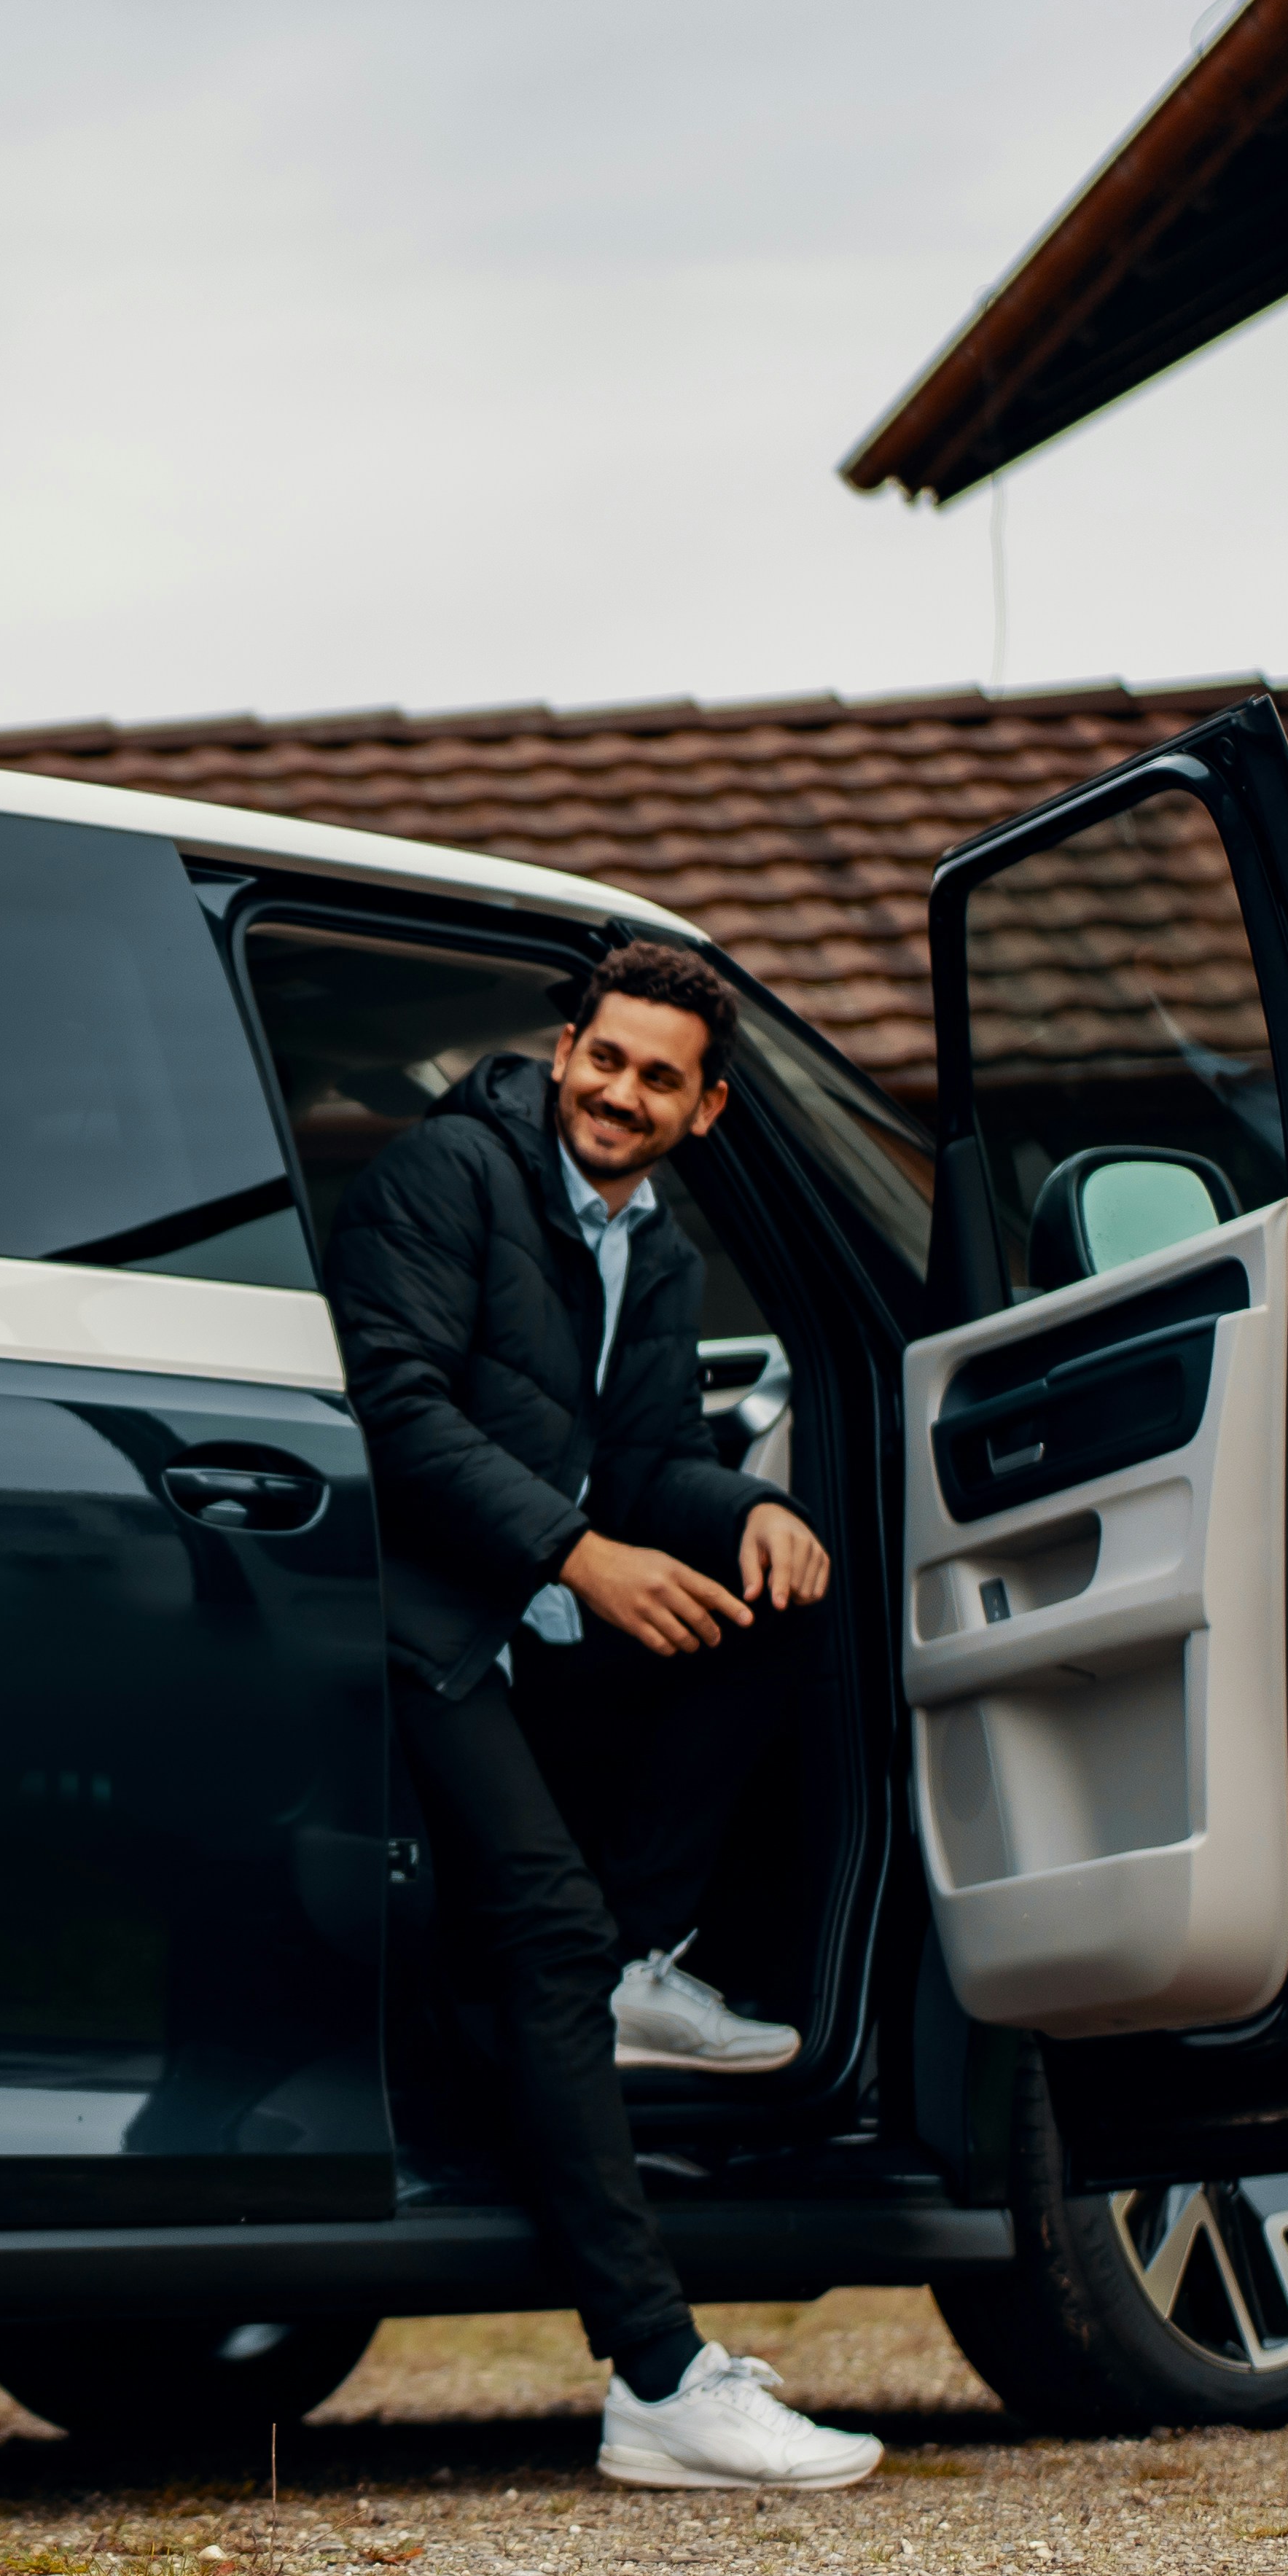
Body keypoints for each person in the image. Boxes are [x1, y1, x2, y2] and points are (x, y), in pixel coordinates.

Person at [326, 937, 882, 2493]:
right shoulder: (456, 1175)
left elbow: (642, 1460)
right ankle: (658, 2377)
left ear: (703, 1109)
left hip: (537, 1625)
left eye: (660, 1076)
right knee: (548, 1938)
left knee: (785, 1595)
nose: (620, 1093)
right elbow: (394, 1405)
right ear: (564, 1049)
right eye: (606, 1057)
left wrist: (743, 1513)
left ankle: (636, 1950)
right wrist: (580, 1552)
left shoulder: (663, 1252)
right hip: (412, 1624)